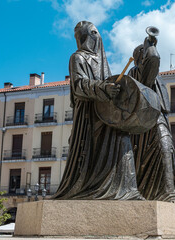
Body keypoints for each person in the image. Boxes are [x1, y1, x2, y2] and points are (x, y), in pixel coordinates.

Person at [53, 21, 143, 200]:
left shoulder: (102, 61)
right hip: (89, 114)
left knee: (123, 140)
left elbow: (107, 82)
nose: (95, 37)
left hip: (106, 113)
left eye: (96, 33)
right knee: (93, 152)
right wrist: (104, 88)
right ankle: (92, 187)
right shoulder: (77, 58)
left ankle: (127, 190)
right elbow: (79, 85)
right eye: (90, 33)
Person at [129, 33, 175, 203]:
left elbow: (153, 61)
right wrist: (150, 46)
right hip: (147, 120)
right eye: (143, 53)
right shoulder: (137, 72)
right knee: (164, 146)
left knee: (165, 151)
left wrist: (150, 46)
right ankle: (168, 192)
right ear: (140, 57)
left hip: (158, 117)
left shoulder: (155, 76)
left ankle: (164, 191)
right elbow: (153, 59)